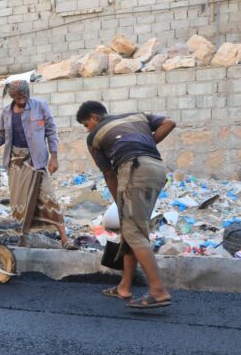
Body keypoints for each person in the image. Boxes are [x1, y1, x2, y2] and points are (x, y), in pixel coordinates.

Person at [76, 100, 177, 309]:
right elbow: (169, 123)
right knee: (134, 227)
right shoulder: (137, 115)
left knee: (133, 230)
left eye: (86, 124)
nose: (88, 129)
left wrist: (117, 201)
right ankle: (124, 286)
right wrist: (148, 144)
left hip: (134, 170)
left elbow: (108, 173)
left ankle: (158, 291)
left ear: (94, 117)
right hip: (157, 169)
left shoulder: (94, 137)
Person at [0, 79, 75, 249]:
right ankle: (23, 239)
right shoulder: (6, 112)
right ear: (10, 96)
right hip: (16, 163)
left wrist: (54, 157)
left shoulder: (40, 106)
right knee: (19, 201)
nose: (20, 99)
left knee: (49, 196)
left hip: (37, 161)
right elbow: (2, 135)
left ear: (28, 92)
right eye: (16, 97)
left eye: (23, 95)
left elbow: (51, 131)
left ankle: (65, 239)